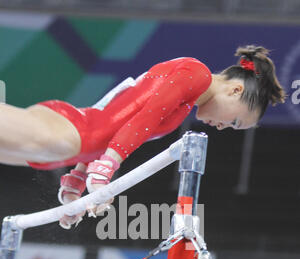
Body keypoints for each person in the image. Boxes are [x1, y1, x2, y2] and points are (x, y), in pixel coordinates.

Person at [0, 45, 285, 228]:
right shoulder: (195, 73)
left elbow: (117, 114)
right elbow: (142, 117)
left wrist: (79, 178)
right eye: (235, 121)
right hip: (72, 131)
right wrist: (106, 169)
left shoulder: (186, 103)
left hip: (74, 144)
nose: (223, 127)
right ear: (235, 90)